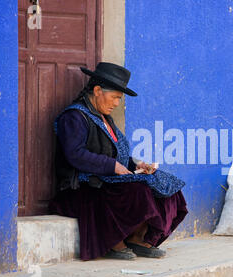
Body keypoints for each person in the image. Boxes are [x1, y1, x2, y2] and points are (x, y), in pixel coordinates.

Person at [49, 62, 188, 261]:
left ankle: (137, 238)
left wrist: (136, 166)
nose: (116, 103)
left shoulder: (106, 118)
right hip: (84, 188)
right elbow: (75, 154)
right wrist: (111, 166)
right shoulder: (74, 117)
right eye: (114, 97)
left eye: (119, 99)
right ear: (97, 90)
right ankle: (114, 241)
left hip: (107, 181)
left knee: (166, 184)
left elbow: (116, 154)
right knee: (138, 191)